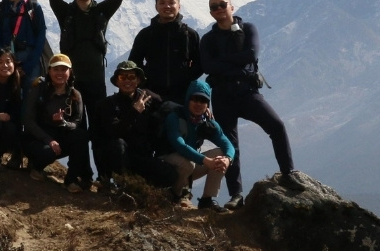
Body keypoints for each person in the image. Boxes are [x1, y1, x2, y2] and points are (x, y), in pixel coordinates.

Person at [199, 0, 304, 209]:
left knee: (276, 126)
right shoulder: (208, 39)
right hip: (223, 96)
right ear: (211, 12)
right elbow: (208, 66)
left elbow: (251, 55)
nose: (219, 9)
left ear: (231, 6)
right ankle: (236, 196)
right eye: (214, 7)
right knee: (230, 146)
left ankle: (287, 173)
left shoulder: (248, 29)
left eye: (222, 4)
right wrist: (236, 65)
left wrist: (222, 63)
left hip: (248, 93)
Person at [48, 0, 125, 177]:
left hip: (96, 81)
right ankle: (80, 174)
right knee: (77, 129)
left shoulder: (102, 11)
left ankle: (104, 176)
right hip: (72, 83)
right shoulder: (66, 12)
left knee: (99, 128)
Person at [95, 60, 178, 193]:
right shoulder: (108, 104)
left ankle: (141, 189)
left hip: (141, 157)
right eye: (122, 77)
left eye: (131, 77)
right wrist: (134, 112)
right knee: (117, 145)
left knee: (170, 174)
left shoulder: (148, 100)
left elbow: (170, 108)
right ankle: (120, 185)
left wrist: (200, 110)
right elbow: (114, 132)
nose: (127, 81)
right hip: (119, 157)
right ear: (117, 81)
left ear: (138, 80)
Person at [161, 79, 236, 211]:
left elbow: (227, 144)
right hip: (167, 163)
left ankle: (207, 200)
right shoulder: (175, 117)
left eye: (203, 100)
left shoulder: (207, 123)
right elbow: (179, 144)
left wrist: (228, 159)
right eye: (195, 99)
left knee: (220, 154)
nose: (198, 104)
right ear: (188, 99)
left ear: (207, 104)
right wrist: (205, 160)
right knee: (187, 164)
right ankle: (174, 196)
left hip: (190, 166)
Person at [22, 54, 92, 192]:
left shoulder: (75, 95)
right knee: (47, 153)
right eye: (56, 69)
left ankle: (71, 180)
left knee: (82, 136)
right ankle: (36, 167)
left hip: (60, 136)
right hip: (37, 137)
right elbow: (28, 120)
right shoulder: (39, 88)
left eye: (63, 69)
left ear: (70, 72)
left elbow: (76, 122)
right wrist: (48, 140)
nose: (59, 73)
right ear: (49, 71)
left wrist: (63, 122)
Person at [129, 0, 202, 103]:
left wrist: (185, 79)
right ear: (156, 6)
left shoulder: (190, 34)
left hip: (182, 94)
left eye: (171, 3)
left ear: (179, 6)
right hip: (150, 95)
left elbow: (200, 64)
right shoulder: (146, 34)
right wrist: (145, 83)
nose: (167, 6)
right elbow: (134, 62)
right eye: (162, 3)